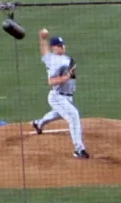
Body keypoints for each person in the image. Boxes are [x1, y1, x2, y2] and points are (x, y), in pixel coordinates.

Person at [33, 29, 89, 159]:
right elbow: (51, 81)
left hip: (68, 97)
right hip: (57, 96)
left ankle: (38, 123)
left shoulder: (62, 59)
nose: (62, 47)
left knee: (57, 114)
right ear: (54, 48)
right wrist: (67, 77)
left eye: (62, 45)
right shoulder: (53, 61)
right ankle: (79, 150)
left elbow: (44, 51)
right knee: (74, 116)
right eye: (59, 45)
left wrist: (42, 38)